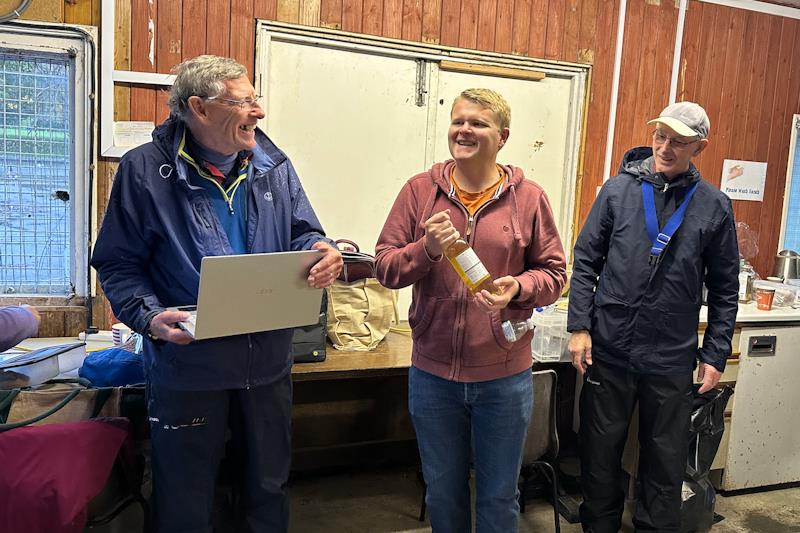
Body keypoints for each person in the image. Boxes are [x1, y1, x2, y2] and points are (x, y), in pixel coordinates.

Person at [91, 55, 342, 532]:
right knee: (185, 499)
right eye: (244, 101)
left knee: (267, 491)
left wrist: (320, 250)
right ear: (199, 108)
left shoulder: (273, 165)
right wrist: (148, 317)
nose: (259, 111)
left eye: (256, 98)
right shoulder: (143, 172)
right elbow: (119, 264)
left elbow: (304, 231)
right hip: (189, 367)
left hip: (267, 363)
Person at [375, 88, 567, 532]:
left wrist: (518, 287)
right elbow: (385, 268)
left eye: (477, 123)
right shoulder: (419, 192)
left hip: (504, 376)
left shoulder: (530, 197)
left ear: (502, 136)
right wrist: (426, 249)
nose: (464, 130)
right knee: (442, 491)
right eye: (458, 121)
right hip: (432, 377)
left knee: (500, 496)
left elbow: (556, 274)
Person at [567, 101, 739, 532]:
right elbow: (586, 260)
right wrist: (580, 326)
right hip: (610, 347)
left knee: (664, 463)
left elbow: (724, 288)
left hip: (670, 356)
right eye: (660, 136)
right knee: (600, 456)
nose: (664, 147)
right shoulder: (617, 191)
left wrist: (715, 354)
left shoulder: (713, 205)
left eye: (678, 142)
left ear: (699, 147)